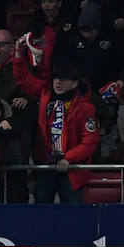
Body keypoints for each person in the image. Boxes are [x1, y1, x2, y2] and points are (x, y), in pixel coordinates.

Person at [13, 44, 100, 203]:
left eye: (64, 79)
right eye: (56, 78)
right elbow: (23, 80)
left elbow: (90, 142)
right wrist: (18, 56)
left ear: (74, 84)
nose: (58, 82)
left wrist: (68, 158)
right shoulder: (44, 92)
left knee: (72, 214)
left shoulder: (85, 108)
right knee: (42, 211)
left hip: (71, 169)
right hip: (46, 166)